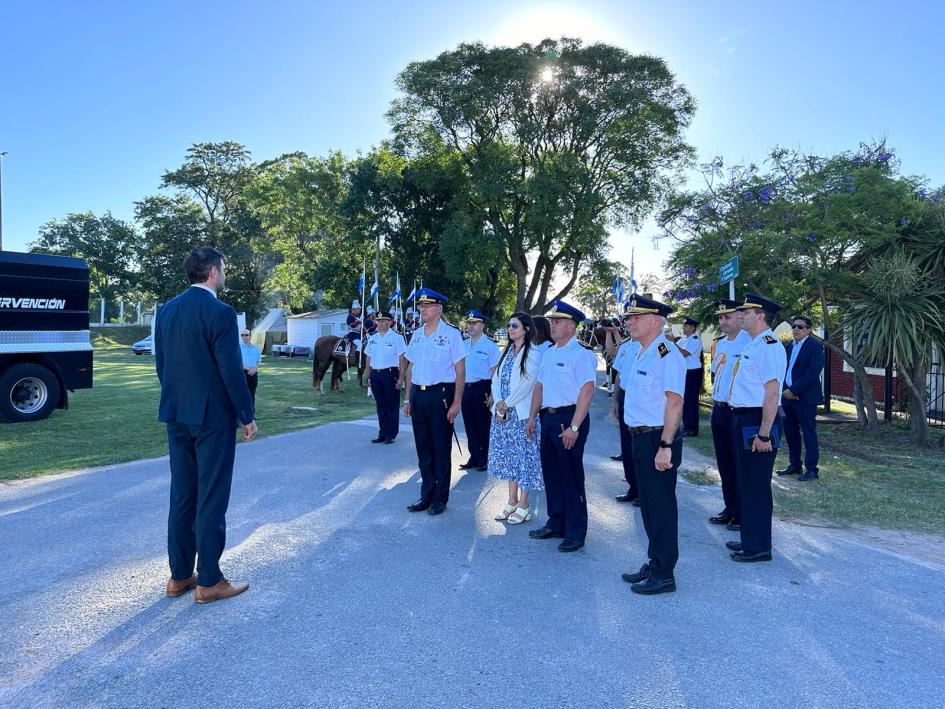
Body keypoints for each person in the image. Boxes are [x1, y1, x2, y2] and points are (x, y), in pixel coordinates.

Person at [154, 246, 257, 604]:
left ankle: (180, 576)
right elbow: (231, 371)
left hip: (176, 413)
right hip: (212, 418)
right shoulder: (221, 312)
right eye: (223, 268)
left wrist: (177, 398)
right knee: (211, 496)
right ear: (213, 271)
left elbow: (161, 365)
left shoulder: (166, 310)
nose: (224, 273)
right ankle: (210, 580)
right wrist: (246, 414)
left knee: (182, 495)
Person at [618, 294, 686, 596]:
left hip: (657, 438)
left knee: (660, 506)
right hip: (639, 437)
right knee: (647, 504)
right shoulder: (639, 352)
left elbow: (675, 402)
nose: (629, 321)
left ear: (656, 321)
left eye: (636, 317)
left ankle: (664, 573)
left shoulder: (666, 353)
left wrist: (665, 445)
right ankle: (655, 560)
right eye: (629, 317)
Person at [525, 301, 597, 553]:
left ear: (571, 326)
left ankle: (575, 531)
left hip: (569, 418)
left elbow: (587, 390)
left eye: (557, 321)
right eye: (552, 321)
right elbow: (539, 387)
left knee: (571, 475)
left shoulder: (581, 354)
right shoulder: (549, 352)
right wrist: (533, 417)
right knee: (552, 473)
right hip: (549, 417)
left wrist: (575, 427)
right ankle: (556, 522)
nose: (552, 325)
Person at [725, 293, 787, 563]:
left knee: (757, 485)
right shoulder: (754, 343)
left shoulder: (769, 345)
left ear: (760, 315)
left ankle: (759, 546)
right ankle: (749, 538)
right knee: (746, 483)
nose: (740, 316)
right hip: (743, 417)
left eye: (745, 312)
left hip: (757, 420)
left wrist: (763, 434)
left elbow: (772, 394)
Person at [402, 288, 466, 515]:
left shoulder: (451, 334)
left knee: (440, 448)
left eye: (427, 307)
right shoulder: (417, 334)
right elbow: (410, 368)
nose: (422, 310)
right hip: (418, 395)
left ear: (438, 309)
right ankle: (426, 495)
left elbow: (460, 371)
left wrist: (457, 402)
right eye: (420, 307)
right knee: (423, 449)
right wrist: (408, 398)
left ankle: (440, 497)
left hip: (441, 395)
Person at [488, 312, 544, 524]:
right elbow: (496, 379)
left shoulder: (534, 353)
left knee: (524, 459)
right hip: (503, 415)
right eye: (509, 326)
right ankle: (511, 500)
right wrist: (499, 405)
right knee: (510, 458)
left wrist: (507, 404)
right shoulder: (507, 351)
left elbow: (527, 384)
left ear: (526, 329)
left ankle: (524, 504)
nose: (510, 329)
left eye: (515, 326)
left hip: (520, 414)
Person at [707, 300, 751, 529]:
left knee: (739, 463)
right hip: (720, 409)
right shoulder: (720, 344)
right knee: (724, 462)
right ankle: (730, 507)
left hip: (738, 412)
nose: (723, 322)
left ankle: (742, 513)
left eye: (728, 317)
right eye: (721, 318)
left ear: (740, 317)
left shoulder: (750, 343)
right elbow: (715, 375)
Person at [777, 315, 826, 481]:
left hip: (805, 399)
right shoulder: (789, 346)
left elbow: (813, 373)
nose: (796, 329)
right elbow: (782, 369)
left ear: (809, 330)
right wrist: (785, 390)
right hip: (787, 398)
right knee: (790, 432)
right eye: (794, 326)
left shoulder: (815, 346)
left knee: (808, 433)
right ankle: (795, 464)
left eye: (800, 327)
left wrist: (794, 390)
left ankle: (812, 469)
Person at [460, 310, 501, 471]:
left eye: (474, 323)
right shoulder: (463, 344)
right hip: (466, 388)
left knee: (483, 424)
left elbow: (495, 372)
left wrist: (492, 394)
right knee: (469, 423)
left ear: (482, 325)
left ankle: (484, 457)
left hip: (482, 388)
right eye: (469, 323)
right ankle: (474, 456)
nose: (470, 326)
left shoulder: (490, 345)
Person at [611, 313, 642, 502]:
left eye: (635, 319)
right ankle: (633, 487)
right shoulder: (625, 346)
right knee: (627, 444)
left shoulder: (659, 347)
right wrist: (615, 399)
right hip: (624, 396)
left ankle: (645, 491)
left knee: (642, 447)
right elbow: (618, 374)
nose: (630, 324)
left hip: (643, 400)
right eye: (628, 321)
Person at [364, 311, 407, 444]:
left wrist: (401, 378)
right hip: (376, 375)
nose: (380, 323)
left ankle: (391, 434)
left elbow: (402, 360)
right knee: (380, 405)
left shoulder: (397, 338)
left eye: (384, 321)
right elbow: (368, 359)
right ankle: (382, 433)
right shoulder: (373, 338)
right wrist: (369, 377)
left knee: (392, 405)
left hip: (390, 373)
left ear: (390, 322)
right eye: (379, 321)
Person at [677, 317, 704, 436]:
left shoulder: (695, 340)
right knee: (684, 401)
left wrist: (672, 342)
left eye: (686, 326)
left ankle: (692, 429)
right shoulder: (683, 340)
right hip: (684, 372)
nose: (683, 328)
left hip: (692, 373)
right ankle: (686, 426)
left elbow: (684, 353)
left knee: (691, 401)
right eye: (683, 326)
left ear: (693, 328)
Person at [239, 329, 262, 406]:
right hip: (243, 373)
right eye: (242, 335)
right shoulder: (238, 348)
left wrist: (255, 370)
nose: (244, 337)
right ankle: (244, 415)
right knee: (243, 394)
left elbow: (259, 360)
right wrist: (249, 369)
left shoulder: (255, 347)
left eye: (246, 335)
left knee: (252, 394)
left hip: (254, 373)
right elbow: (238, 361)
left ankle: (252, 414)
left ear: (250, 336)